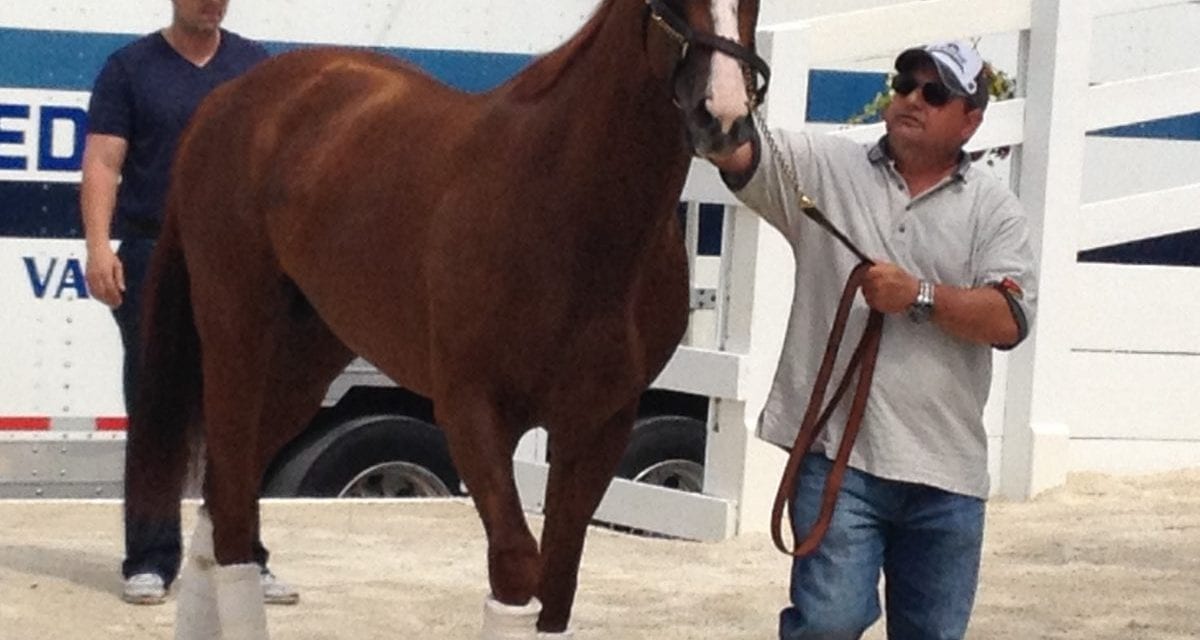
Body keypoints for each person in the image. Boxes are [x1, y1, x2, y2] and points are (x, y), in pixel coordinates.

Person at [707, 41, 1038, 639]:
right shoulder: (825, 166)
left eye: (934, 93)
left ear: (970, 121)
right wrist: (722, 86)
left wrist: (920, 295)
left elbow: (1009, 319)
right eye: (905, 83)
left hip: (948, 474)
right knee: (827, 625)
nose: (912, 98)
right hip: (841, 460)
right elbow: (737, 152)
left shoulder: (997, 211)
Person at [80, 0, 297, 607]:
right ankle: (149, 558)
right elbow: (102, 161)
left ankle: (243, 556)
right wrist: (100, 248)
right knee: (156, 410)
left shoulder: (254, 68)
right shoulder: (131, 68)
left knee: (242, 414)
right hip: (154, 255)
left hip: (240, 262)